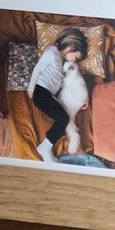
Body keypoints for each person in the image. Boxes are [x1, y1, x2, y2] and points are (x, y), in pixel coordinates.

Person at [29, 27, 88, 161]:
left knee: (64, 119)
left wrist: (84, 98)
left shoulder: (62, 63)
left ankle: (46, 145)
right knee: (63, 119)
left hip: (48, 94)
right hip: (40, 92)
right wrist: (31, 89)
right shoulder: (51, 53)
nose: (74, 61)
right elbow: (37, 69)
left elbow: (75, 81)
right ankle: (45, 147)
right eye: (76, 57)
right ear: (71, 47)